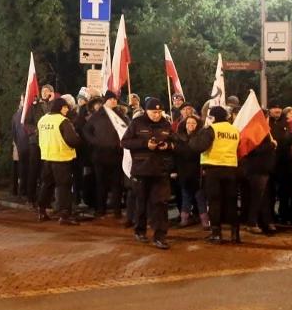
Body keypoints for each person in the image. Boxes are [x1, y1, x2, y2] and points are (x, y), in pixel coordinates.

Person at [122, 98, 175, 249]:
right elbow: (125, 142)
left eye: (159, 112)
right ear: (146, 111)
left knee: (160, 203)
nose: (157, 115)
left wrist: (168, 146)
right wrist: (145, 144)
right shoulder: (137, 123)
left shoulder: (166, 124)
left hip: (160, 170)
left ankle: (160, 236)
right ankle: (140, 230)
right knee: (141, 202)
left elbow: (175, 140)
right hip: (141, 170)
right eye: (154, 112)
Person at [191, 106, 240, 244]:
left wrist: (198, 134)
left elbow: (197, 147)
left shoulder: (211, 129)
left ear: (213, 117)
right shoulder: (234, 130)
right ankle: (235, 234)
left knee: (214, 201)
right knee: (231, 202)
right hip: (231, 168)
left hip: (214, 169)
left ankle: (216, 233)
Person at [37, 97, 81, 225]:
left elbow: (37, 135)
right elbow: (73, 140)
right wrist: (78, 140)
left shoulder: (43, 119)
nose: (67, 110)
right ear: (60, 107)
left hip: (46, 157)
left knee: (46, 185)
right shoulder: (63, 121)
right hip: (61, 158)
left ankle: (41, 211)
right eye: (66, 107)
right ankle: (64, 215)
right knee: (64, 187)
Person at [86, 92, 126, 220]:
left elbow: (128, 128)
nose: (114, 101)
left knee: (117, 184)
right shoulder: (97, 115)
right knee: (101, 183)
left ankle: (117, 210)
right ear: (105, 101)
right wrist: (95, 141)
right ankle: (100, 209)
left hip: (116, 155)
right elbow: (86, 130)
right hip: (100, 155)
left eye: (115, 99)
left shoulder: (120, 115)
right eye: (111, 99)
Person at [240, 127, 276, 236]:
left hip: (264, 169)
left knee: (264, 197)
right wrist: (272, 145)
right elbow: (252, 149)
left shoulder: (263, 131)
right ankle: (252, 223)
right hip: (256, 170)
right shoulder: (253, 132)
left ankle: (266, 221)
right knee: (257, 197)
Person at [173, 113, 207, 228]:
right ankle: (184, 220)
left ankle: (205, 222)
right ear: (185, 124)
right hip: (184, 171)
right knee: (185, 196)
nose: (190, 125)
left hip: (197, 172)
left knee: (200, 197)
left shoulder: (200, 138)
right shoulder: (179, 138)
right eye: (188, 123)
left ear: (197, 125)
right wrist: (174, 170)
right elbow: (176, 155)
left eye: (193, 123)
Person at [21, 85, 53, 205]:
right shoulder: (34, 107)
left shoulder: (53, 106)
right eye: (43, 91)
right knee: (34, 169)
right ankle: (31, 197)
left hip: (49, 142)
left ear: (51, 93)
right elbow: (27, 123)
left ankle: (45, 198)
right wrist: (35, 130)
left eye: (47, 91)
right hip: (35, 141)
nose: (44, 93)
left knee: (46, 171)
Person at [268, 103, 292, 224]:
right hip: (270, 163)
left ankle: (284, 215)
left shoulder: (287, 123)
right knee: (270, 192)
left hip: (284, 163)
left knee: (284, 192)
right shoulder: (265, 122)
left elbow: (290, 140)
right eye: (274, 108)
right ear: (270, 110)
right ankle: (270, 215)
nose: (277, 110)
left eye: (279, 108)